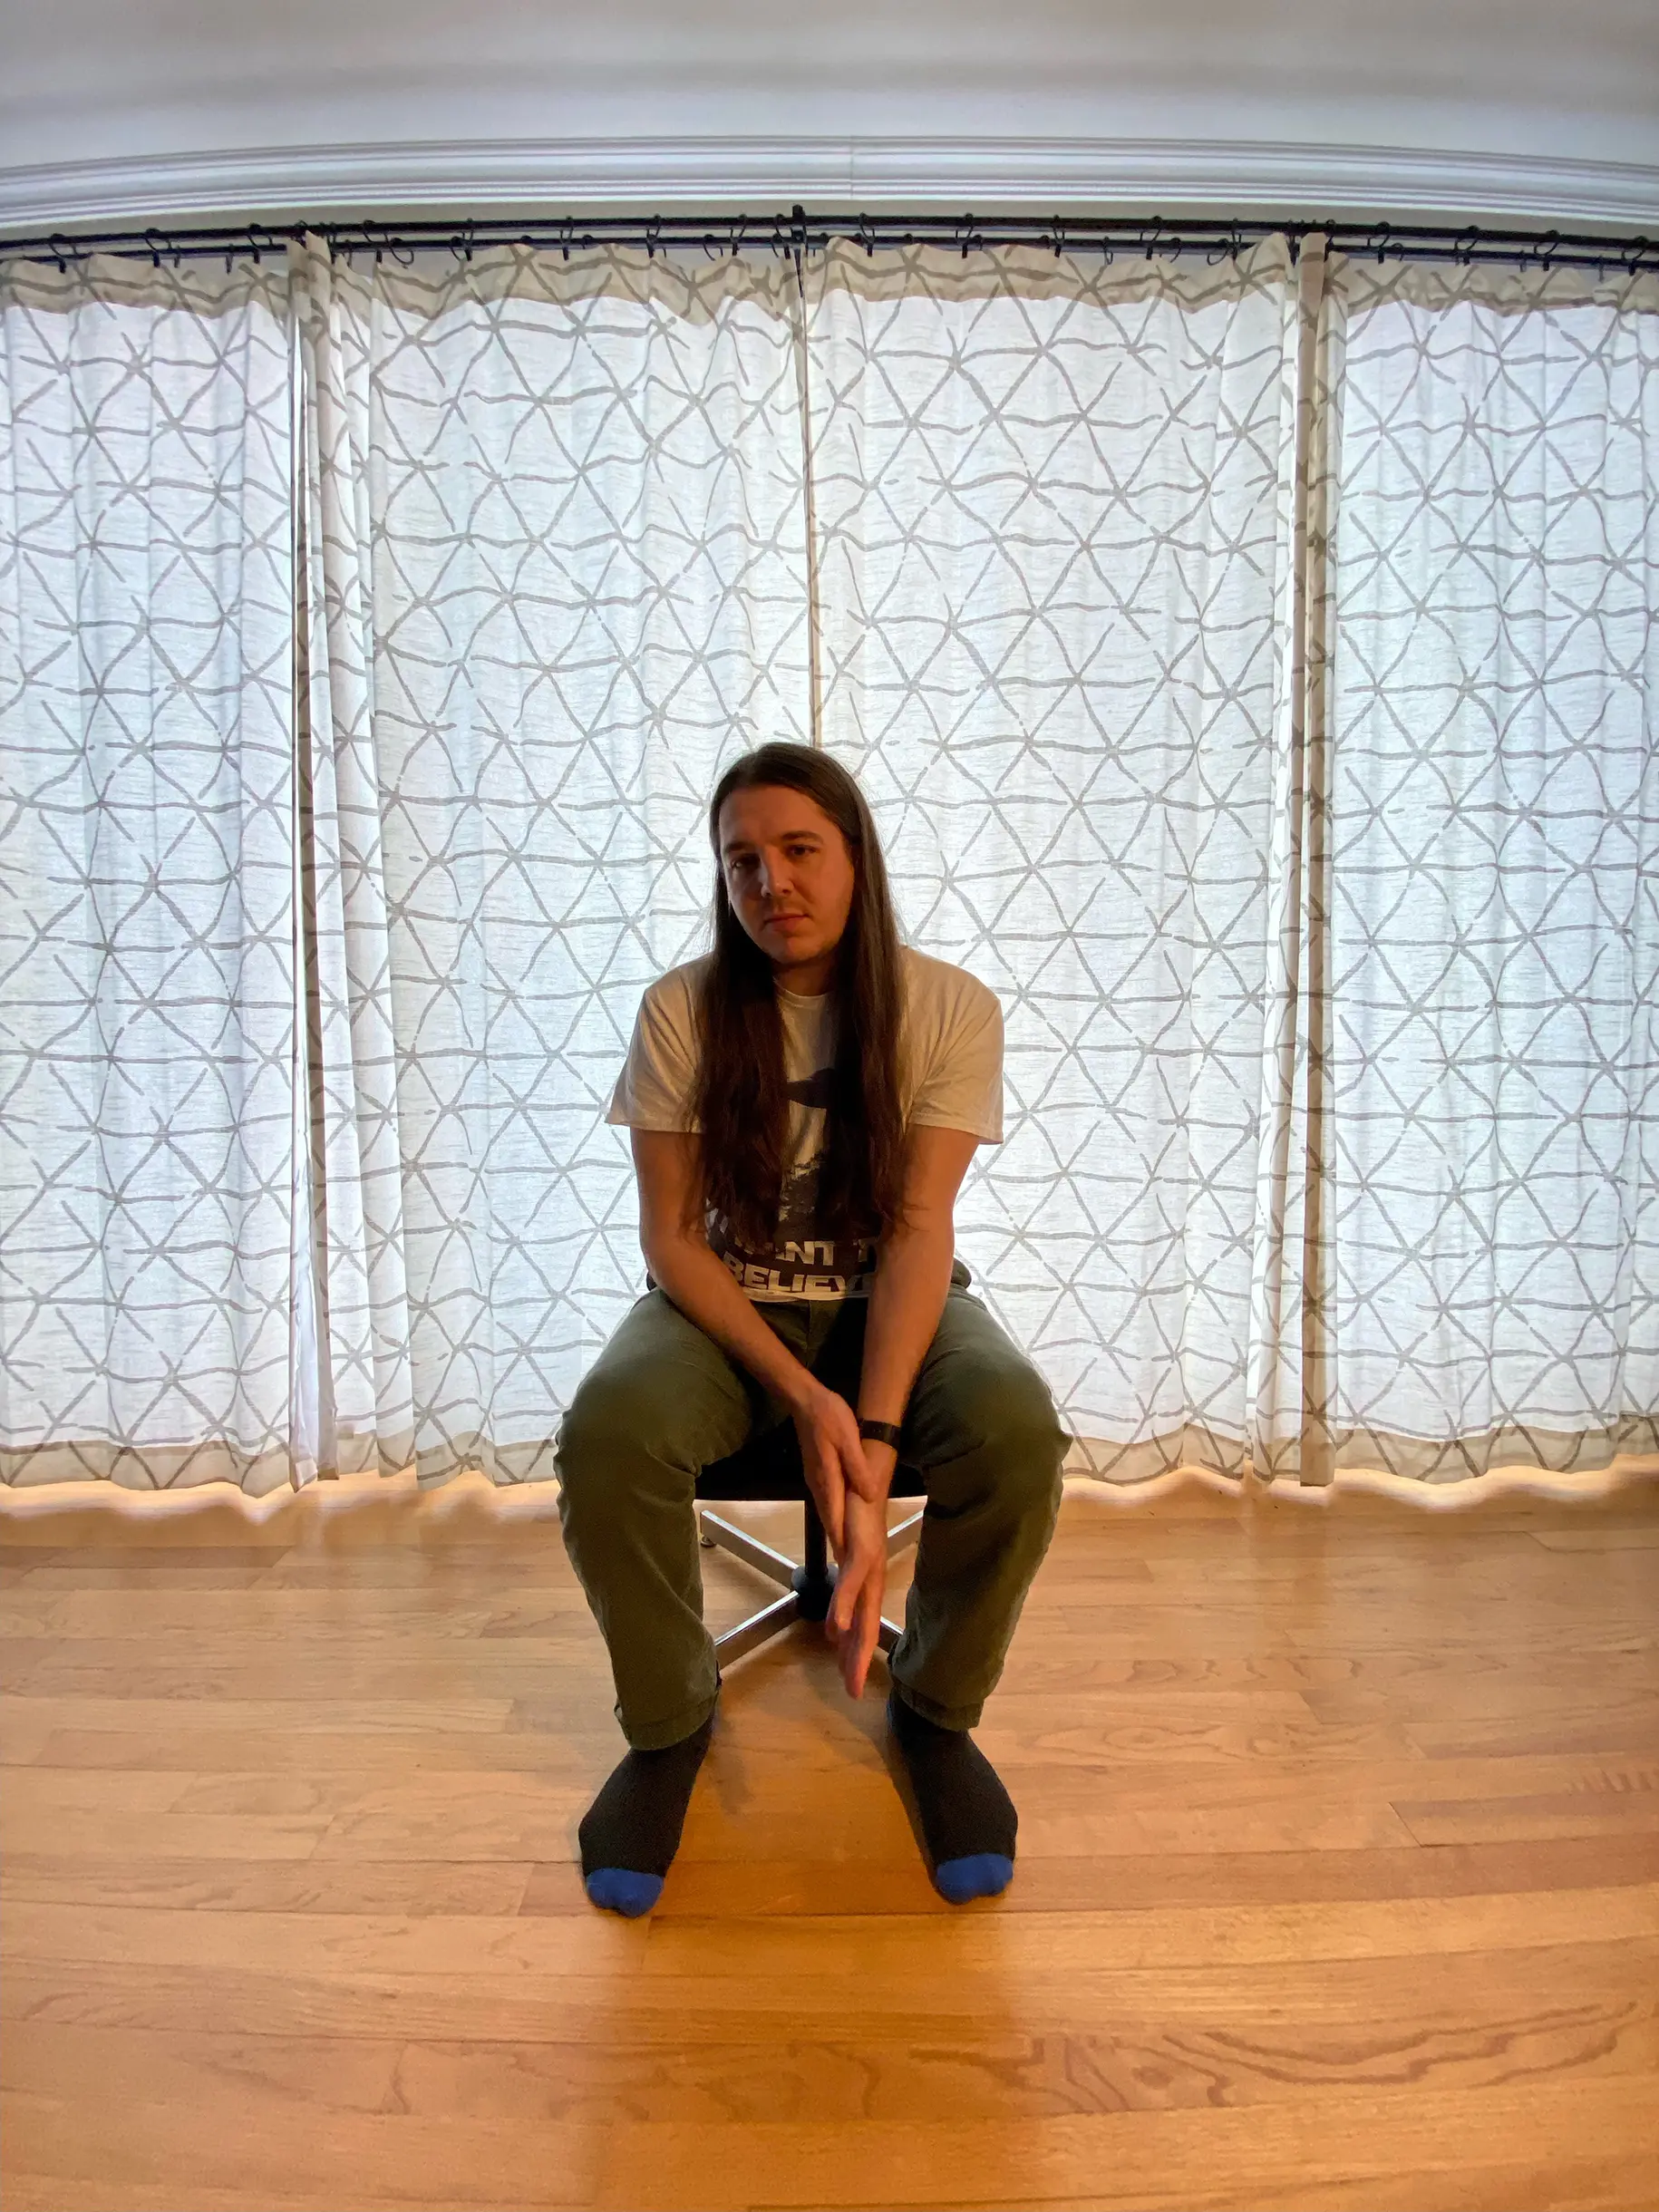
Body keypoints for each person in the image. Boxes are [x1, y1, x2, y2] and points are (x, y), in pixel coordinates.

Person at [556, 742, 1067, 1916]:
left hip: (896, 1294)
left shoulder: (945, 1006)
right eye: (741, 860)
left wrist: (873, 1433)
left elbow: (918, 1225)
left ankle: (934, 1717)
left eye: (796, 851)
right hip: (725, 1309)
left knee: (1013, 1430)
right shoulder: (681, 1011)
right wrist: (805, 1395)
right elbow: (675, 1241)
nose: (768, 882)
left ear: (854, 860)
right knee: (608, 1433)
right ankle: (667, 1727)